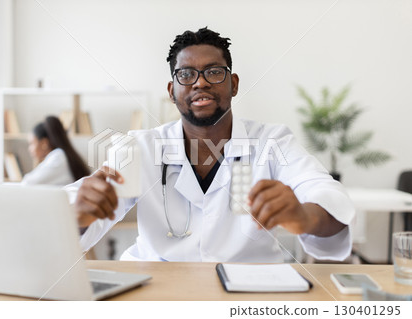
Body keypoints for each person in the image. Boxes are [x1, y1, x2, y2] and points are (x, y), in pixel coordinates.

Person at [66, 27, 355, 262]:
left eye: (214, 72)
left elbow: (325, 194)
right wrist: (78, 215)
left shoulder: (272, 142)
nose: (200, 83)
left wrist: (305, 216)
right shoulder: (140, 147)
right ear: (172, 90)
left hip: (249, 290)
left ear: (234, 84)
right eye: (186, 74)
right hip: (157, 289)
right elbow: (71, 215)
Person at [22, 116, 90, 185]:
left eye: (31, 144)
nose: (29, 149)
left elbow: (28, 183)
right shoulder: (62, 155)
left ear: (44, 143)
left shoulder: (58, 156)